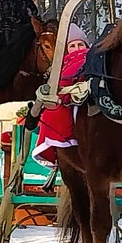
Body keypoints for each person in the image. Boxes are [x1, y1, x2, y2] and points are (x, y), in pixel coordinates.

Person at [32, 23, 91, 166]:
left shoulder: (93, 59)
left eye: (80, 45)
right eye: (72, 46)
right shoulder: (63, 66)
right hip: (69, 98)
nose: (77, 49)